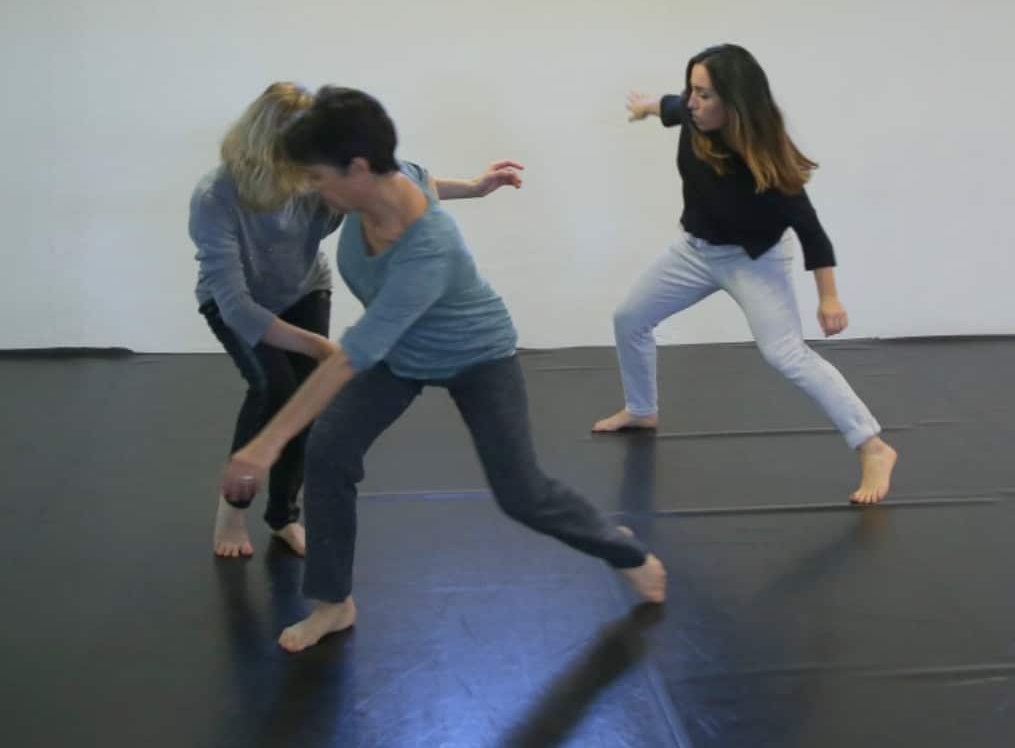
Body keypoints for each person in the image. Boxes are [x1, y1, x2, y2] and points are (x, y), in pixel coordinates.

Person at [220, 87, 666, 652]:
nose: (312, 189)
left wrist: (263, 446)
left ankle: (623, 551)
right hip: (405, 355)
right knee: (329, 451)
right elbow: (428, 178)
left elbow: (353, 355)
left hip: (477, 354)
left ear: (357, 169)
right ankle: (333, 603)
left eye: (316, 177)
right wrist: (477, 187)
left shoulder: (429, 248)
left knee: (521, 493)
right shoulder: (383, 179)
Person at [190, 82, 526, 558]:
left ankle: (283, 515)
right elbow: (238, 308)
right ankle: (233, 508)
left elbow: (399, 179)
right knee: (273, 388)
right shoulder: (215, 197)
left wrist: (473, 187)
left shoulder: (317, 179)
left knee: (309, 401)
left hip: (305, 287)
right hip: (237, 304)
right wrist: (322, 349)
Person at [592, 44, 897, 505]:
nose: (692, 102)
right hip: (695, 252)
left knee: (785, 354)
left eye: (705, 95)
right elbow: (667, 106)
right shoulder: (691, 117)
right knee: (629, 319)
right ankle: (641, 410)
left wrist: (829, 298)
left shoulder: (767, 162)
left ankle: (872, 445)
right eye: (691, 90)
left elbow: (813, 234)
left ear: (734, 103)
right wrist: (644, 107)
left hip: (755, 261)